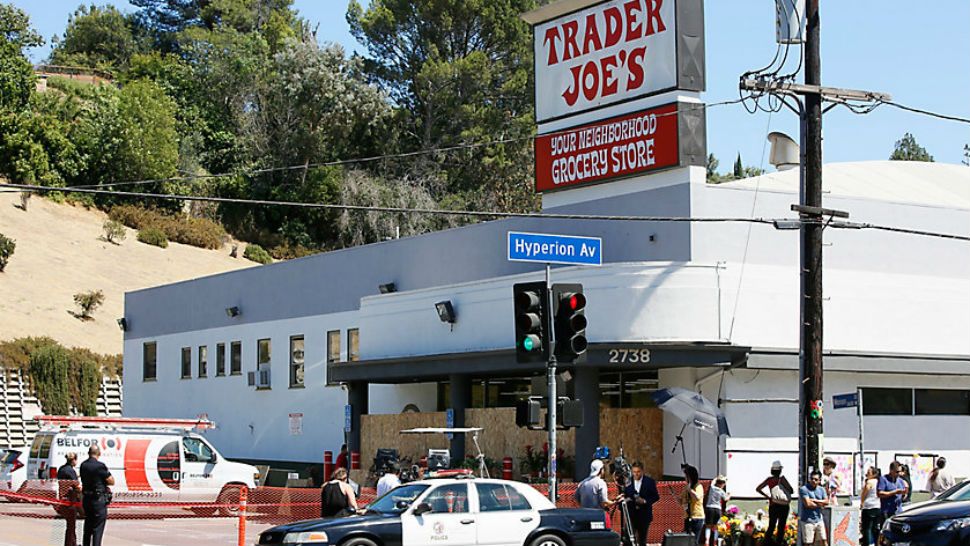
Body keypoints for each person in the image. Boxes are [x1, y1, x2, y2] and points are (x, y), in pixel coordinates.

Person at [80, 445, 114, 546]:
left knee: (88, 526)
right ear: (99, 453)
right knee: (97, 529)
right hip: (98, 499)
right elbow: (111, 481)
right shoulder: (100, 466)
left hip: (86, 499)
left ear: (88, 453)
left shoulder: (83, 465)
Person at [755, 460, 794, 546]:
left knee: (771, 525)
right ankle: (778, 543)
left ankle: (766, 542)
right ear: (780, 470)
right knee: (781, 526)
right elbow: (791, 490)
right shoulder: (782, 479)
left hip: (773, 505)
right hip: (784, 506)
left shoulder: (769, 480)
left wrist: (769, 497)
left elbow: (758, 488)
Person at [622, 461, 660, 546]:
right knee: (628, 539)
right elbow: (625, 493)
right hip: (631, 515)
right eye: (634, 472)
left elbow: (656, 496)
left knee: (642, 540)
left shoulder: (649, 482)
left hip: (644, 515)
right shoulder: (628, 481)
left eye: (638, 472)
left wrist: (645, 501)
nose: (636, 474)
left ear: (642, 471)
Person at [799, 470, 829, 546]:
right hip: (807, 520)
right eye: (812, 479)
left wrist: (815, 500)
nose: (813, 481)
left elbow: (826, 502)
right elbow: (808, 504)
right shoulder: (804, 489)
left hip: (819, 519)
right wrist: (821, 504)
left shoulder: (821, 489)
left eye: (816, 479)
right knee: (808, 543)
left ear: (819, 480)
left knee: (824, 540)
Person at [57, 453, 80, 546]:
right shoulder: (71, 471)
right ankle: (70, 543)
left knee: (70, 525)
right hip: (70, 500)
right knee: (71, 525)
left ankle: (72, 543)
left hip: (62, 499)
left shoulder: (61, 469)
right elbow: (76, 485)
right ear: (73, 460)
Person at [680, 465, 704, 543]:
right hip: (687, 516)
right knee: (686, 540)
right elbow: (682, 501)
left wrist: (690, 490)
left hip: (697, 517)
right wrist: (678, 499)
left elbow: (697, 497)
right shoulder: (686, 488)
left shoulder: (698, 486)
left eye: (686, 476)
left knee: (694, 541)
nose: (685, 478)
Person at [703, 475, 729, 546]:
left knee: (708, 526)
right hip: (718, 509)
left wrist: (717, 477)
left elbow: (713, 481)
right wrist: (729, 495)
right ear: (722, 484)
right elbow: (726, 499)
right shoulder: (721, 491)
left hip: (710, 508)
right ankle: (715, 542)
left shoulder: (712, 488)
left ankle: (707, 541)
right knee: (715, 527)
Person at [859, 466, 882, 546]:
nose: (867, 474)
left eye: (868, 473)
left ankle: (867, 543)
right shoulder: (879, 482)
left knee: (867, 528)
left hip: (868, 506)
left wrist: (862, 502)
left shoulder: (870, 482)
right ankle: (876, 543)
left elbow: (865, 492)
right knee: (875, 528)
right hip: (877, 506)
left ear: (874, 474)